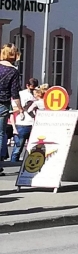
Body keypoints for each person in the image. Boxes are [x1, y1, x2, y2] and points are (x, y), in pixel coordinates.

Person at [9, 76, 40, 164]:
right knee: (18, 148)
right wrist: (24, 108)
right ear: (27, 85)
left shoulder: (37, 94)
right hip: (22, 123)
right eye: (31, 88)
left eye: (34, 88)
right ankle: (13, 165)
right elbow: (13, 109)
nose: (33, 90)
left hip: (33, 123)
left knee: (33, 149)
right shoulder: (21, 94)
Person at [0, 44, 21, 173]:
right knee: (0, 134)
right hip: (2, 104)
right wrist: (20, 108)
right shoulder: (13, 71)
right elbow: (15, 92)